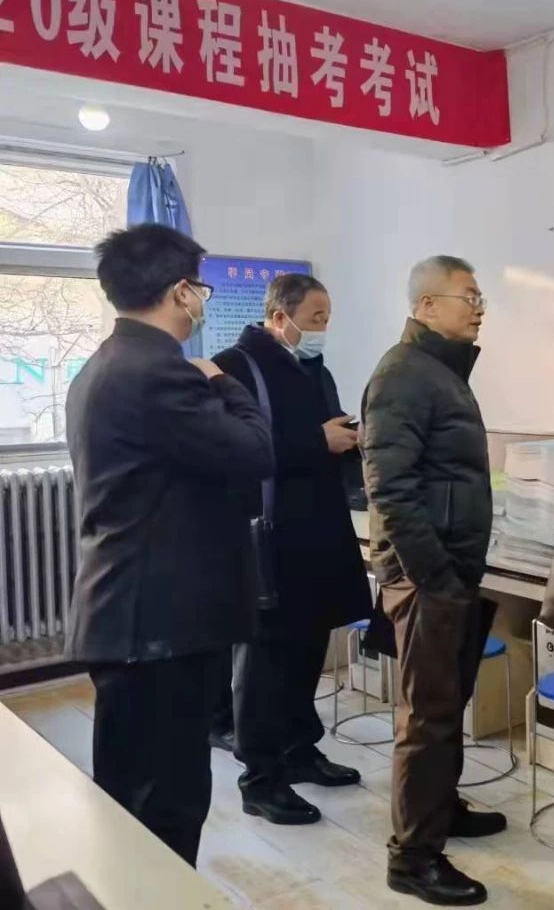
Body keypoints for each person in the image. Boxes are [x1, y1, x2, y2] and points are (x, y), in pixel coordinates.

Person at [65, 224, 272, 866]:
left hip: (135, 614)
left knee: (132, 796)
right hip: (158, 625)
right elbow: (254, 451)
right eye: (200, 289)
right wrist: (222, 381)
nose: (201, 301)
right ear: (182, 292)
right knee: (165, 805)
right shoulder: (159, 372)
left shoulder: (104, 363)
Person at [361, 256, 503, 906]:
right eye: (468, 297)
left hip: (450, 571)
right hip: (428, 577)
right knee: (427, 717)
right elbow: (390, 490)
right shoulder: (403, 374)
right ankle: (413, 858)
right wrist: (436, 578)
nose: (479, 308)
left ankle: (439, 810)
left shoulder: (439, 371)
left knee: (446, 706)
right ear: (425, 306)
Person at [209, 274, 372, 825]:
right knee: (263, 665)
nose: (323, 328)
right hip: (268, 541)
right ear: (280, 317)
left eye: (328, 318)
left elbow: (323, 439)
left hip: (317, 534)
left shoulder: (312, 368)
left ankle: (301, 751)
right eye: (315, 318)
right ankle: (261, 778)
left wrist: (349, 438)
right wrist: (316, 441)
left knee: (307, 651)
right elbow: (232, 452)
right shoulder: (234, 368)